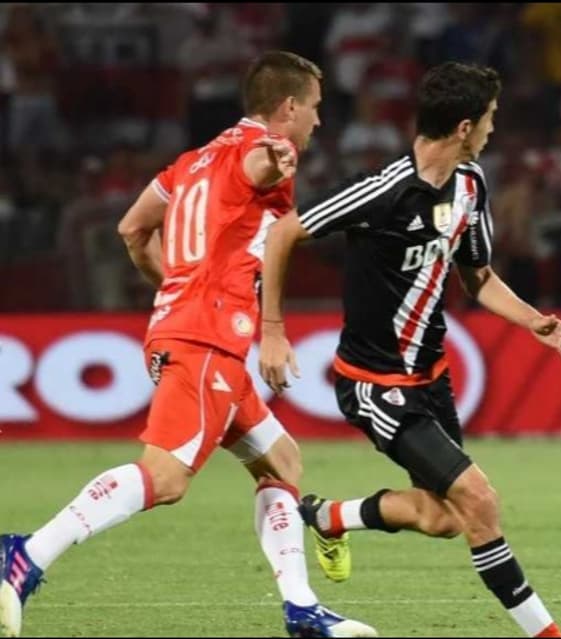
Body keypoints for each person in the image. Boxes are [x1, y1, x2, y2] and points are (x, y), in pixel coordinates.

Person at [0, 51, 375, 639]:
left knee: (282, 460)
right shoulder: (272, 150)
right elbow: (263, 168)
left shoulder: (192, 161)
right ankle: (26, 554)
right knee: (166, 478)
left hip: (182, 328)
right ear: (289, 107)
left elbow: (131, 229)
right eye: (316, 109)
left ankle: (302, 609)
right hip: (208, 339)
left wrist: (179, 288)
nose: (319, 122)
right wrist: (275, 164)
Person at [258, 62, 561, 639]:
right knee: (479, 501)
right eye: (491, 120)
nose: (493, 131)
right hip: (374, 385)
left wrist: (533, 321)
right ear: (465, 126)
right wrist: (272, 329)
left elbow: (478, 277)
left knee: (444, 518)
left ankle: (328, 518)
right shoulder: (382, 189)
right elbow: (283, 233)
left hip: (432, 380)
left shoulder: (470, 187)